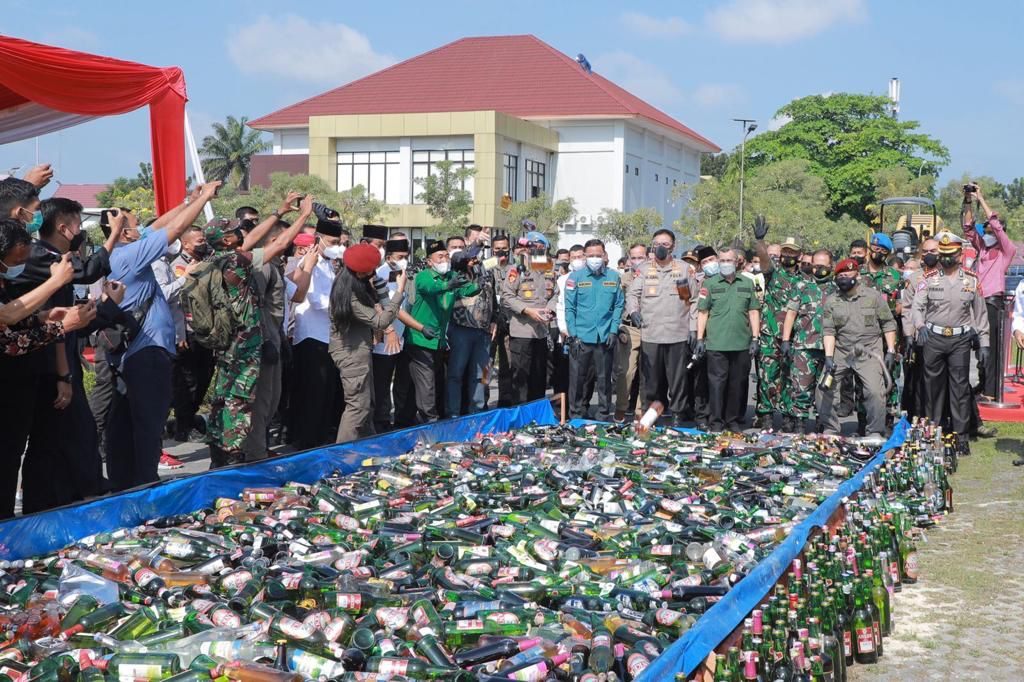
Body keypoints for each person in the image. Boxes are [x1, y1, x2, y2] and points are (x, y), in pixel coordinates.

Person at [103, 183, 221, 491]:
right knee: (148, 423)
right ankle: (145, 484)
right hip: (147, 352)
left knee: (128, 422)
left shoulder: (118, 253)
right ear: (123, 233)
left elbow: (158, 226)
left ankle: (125, 482)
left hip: (136, 352)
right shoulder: (129, 256)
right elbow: (175, 229)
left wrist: (188, 201)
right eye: (133, 224)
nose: (142, 229)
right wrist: (204, 199)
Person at [6, 194, 118, 513]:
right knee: (53, 443)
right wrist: (63, 374)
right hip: (42, 364)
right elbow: (17, 324)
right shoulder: (43, 256)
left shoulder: (48, 259)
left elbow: (51, 317)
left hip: (55, 358)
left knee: (60, 441)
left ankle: (62, 502)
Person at [204, 194, 311, 467]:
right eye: (234, 231)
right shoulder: (236, 263)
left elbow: (254, 241)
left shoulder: (217, 258)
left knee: (235, 401)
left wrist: (279, 211)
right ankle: (248, 458)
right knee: (249, 403)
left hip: (234, 343)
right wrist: (303, 216)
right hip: (247, 345)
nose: (242, 232)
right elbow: (281, 243)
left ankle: (228, 456)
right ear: (227, 240)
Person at [911, 233, 988, 449]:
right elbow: (917, 307)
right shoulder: (928, 279)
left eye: (950, 254)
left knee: (960, 389)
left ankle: (961, 436)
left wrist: (984, 344)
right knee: (932, 389)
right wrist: (920, 326)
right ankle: (933, 435)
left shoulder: (971, 280)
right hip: (933, 338)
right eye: (943, 254)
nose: (945, 258)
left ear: (960, 254)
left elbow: (981, 316)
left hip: (960, 340)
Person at [329, 243, 407, 441]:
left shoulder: (358, 283)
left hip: (360, 350)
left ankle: (366, 445)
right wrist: (399, 291)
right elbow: (380, 320)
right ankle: (342, 454)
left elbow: (381, 304)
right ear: (363, 271)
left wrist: (380, 287)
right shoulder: (349, 293)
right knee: (357, 408)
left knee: (367, 404)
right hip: (351, 354)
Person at [625, 229, 697, 426]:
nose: (660, 247)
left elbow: (692, 300)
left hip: (677, 333)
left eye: (665, 244)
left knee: (677, 380)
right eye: (656, 244)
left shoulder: (683, 270)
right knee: (652, 382)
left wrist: (693, 328)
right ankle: (652, 417)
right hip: (651, 334)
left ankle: (678, 416)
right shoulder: (644, 270)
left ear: (673, 247)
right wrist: (633, 311)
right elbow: (632, 295)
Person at [818, 259, 896, 440]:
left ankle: (875, 431)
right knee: (824, 389)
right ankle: (830, 429)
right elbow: (829, 330)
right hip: (842, 350)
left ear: (858, 275)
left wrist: (891, 350)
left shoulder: (873, 297)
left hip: (868, 351)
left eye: (847, 275)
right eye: (840, 276)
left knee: (875, 391)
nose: (843, 279)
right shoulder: (832, 301)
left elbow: (888, 324)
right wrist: (829, 357)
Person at [288, 213, 346, 449]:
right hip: (311, 335)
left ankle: (319, 437)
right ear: (318, 240)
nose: (338, 247)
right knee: (312, 392)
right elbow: (315, 299)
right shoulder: (308, 264)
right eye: (333, 243)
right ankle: (307, 441)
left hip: (327, 335)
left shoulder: (329, 265)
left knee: (325, 392)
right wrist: (345, 309)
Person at [405, 239, 474, 422]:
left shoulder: (450, 275)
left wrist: (478, 284)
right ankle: (430, 422)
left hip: (439, 340)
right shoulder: (424, 276)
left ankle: (432, 418)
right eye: (440, 256)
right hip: (420, 338)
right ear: (429, 261)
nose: (445, 260)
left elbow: (467, 290)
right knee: (427, 385)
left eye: (446, 256)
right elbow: (431, 288)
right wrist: (448, 285)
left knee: (436, 382)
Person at [693, 248, 760, 432]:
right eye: (722, 260)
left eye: (729, 260)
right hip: (717, 343)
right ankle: (716, 422)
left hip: (741, 343)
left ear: (737, 261)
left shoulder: (747, 282)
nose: (725, 263)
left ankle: (732, 420)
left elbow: (753, 311)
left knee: (736, 384)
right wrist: (700, 338)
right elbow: (703, 312)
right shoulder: (710, 284)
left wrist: (755, 338)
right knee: (716, 385)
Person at [962, 183, 1016, 399]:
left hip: (993, 303)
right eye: (985, 230)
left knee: (991, 347)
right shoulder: (983, 248)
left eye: (991, 230)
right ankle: (983, 384)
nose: (988, 232)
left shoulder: (1006, 250)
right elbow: (968, 228)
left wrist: (981, 198)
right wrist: (968, 200)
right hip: (978, 301)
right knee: (979, 345)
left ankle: (992, 390)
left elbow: (996, 224)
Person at [241, 220, 289, 462]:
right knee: (261, 404)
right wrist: (266, 340)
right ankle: (255, 455)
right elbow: (255, 306)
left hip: (274, 338)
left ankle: (258, 449)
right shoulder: (262, 268)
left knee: (271, 402)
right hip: (261, 343)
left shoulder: (274, 266)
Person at [564, 239, 623, 420]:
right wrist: (573, 335)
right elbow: (570, 308)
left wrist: (613, 330)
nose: (595, 259)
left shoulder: (613, 277)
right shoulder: (575, 278)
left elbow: (619, 305)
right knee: (577, 380)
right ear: (585, 257)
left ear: (605, 255)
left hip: (604, 337)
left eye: (598, 255)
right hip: (581, 337)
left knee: (604, 380)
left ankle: (603, 414)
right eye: (590, 256)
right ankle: (576, 415)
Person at [753, 219, 803, 429]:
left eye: (793, 253)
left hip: (794, 336)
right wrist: (760, 241)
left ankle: (789, 416)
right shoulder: (774, 273)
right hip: (770, 334)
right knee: (767, 376)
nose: (789, 257)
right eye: (786, 252)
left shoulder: (805, 279)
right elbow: (764, 260)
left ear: (799, 256)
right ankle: (766, 415)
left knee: (791, 377)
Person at [166, 225, 214, 443]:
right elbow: (177, 300)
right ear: (185, 244)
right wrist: (180, 333)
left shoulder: (207, 262)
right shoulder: (179, 265)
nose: (203, 244)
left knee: (204, 377)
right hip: (188, 330)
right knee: (187, 382)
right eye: (199, 241)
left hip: (206, 330)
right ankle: (182, 426)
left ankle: (187, 420)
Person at [780, 250, 835, 432]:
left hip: (830, 348)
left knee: (827, 389)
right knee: (801, 387)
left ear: (830, 266)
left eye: (822, 266)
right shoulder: (802, 285)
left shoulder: (836, 287)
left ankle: (823, 424)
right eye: (815, 265)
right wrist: (785, 340)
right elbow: (791, 314)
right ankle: (800, 423)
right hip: (804, 345)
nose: (818, 269)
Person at [500, 230, 555, 404]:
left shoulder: (547, 267)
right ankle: (521, 416)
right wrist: (527, 310)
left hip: (541, 331)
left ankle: (536, 417)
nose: (539, 249)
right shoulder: (517, 268)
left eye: (542, 246)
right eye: (535, 246)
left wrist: (550, 310)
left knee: (539, 377)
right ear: (528, 247)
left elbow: (555, 294)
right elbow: (507, 296)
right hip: (522, 331)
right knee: (521, 378)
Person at [446, 245, 498, 417]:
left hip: (483, 332)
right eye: (471, 258)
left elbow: (493, 300)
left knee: (482, 374)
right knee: (456, 373)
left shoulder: (487, 274)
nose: (475, 261)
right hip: (461, 330)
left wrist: (494, 320)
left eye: (477, 258)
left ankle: (477, 410)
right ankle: (453, 413)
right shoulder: (455, 276)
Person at [860, 232, 905, 426]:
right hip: (861, 333)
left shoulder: (894, 276)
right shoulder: (858, 274)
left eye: (882, 250)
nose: (876, 253)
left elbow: (903, 304)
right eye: (874, 249)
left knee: (889, 375)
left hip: (888, 334)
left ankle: (887, 417)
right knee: (861, 376)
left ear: (887, 253)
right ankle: (863, 419)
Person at [371, 238, 411, 431]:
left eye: (406, 257)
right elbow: (384, 306)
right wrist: (389, 330)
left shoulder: (406, 274)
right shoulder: (380, 275)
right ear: (389, 258)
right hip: (385, 336)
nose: (404, 260)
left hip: (403, 335)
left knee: (402, 380)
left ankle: (402, 417)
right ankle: (381, 419)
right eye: (400, 257)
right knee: (382, 381)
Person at [900, 239, 939, 419]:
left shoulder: (947, 274)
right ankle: (915, 417)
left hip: (942, 337)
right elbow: (907, 308)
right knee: (916, 381)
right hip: (920, 337)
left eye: (933, 250)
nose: (929, 254)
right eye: (925, 251)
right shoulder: (915, 278)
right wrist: (908, 335)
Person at [614, 244, 648, 421]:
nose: (637, 261)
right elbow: (618, 304)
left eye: (640, 257)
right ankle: (621, 408)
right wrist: (619, 327)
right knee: (626, 371)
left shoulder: (655, 274)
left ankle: (640, 412)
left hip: (651, 327)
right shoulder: (624, 278)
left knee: (647, 372)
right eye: (633, 258)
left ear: (648, 256)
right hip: (630, 328)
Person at [490, 234, 515, 407]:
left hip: (509, 320)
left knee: (508, 362)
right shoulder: (485, 266)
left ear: (510, 248)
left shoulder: (516, 268)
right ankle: (481, 399)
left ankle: (505, 399)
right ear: (492, 249)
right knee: (485, 362)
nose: (500, 251)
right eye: (497, 248)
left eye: (504, 248)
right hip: (489, 321)